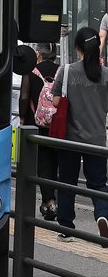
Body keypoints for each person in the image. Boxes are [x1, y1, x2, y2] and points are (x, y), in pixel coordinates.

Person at [50, 27, 108, 243]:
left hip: (70, 139)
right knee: (99, 184)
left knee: (67, 182)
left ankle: (66, 228)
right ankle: (103, 214)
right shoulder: (106, 75)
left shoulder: (67, 71)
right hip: (97, 140)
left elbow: (56, 101)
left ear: (77, 47)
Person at [18, 43, 60, 221]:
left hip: (36, 125)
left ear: (38, 54)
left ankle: (49, 202)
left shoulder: (30, 70)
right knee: (55, 161)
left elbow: (24, 97)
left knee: (42, 164)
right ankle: (57, 200)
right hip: (57, 125)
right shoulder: (62, 71)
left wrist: (21, 118)